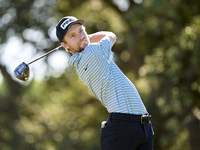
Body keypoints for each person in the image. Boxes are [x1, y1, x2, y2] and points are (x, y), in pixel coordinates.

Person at [56, 16, 154, 150]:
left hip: (142, 127)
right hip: (122, 128)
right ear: (65, 45)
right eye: (72, 36)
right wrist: (87, 37)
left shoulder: (89, 55)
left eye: (81, 31)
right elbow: (110, 35)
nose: (80, 36)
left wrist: (82, 38)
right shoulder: (92, 53)